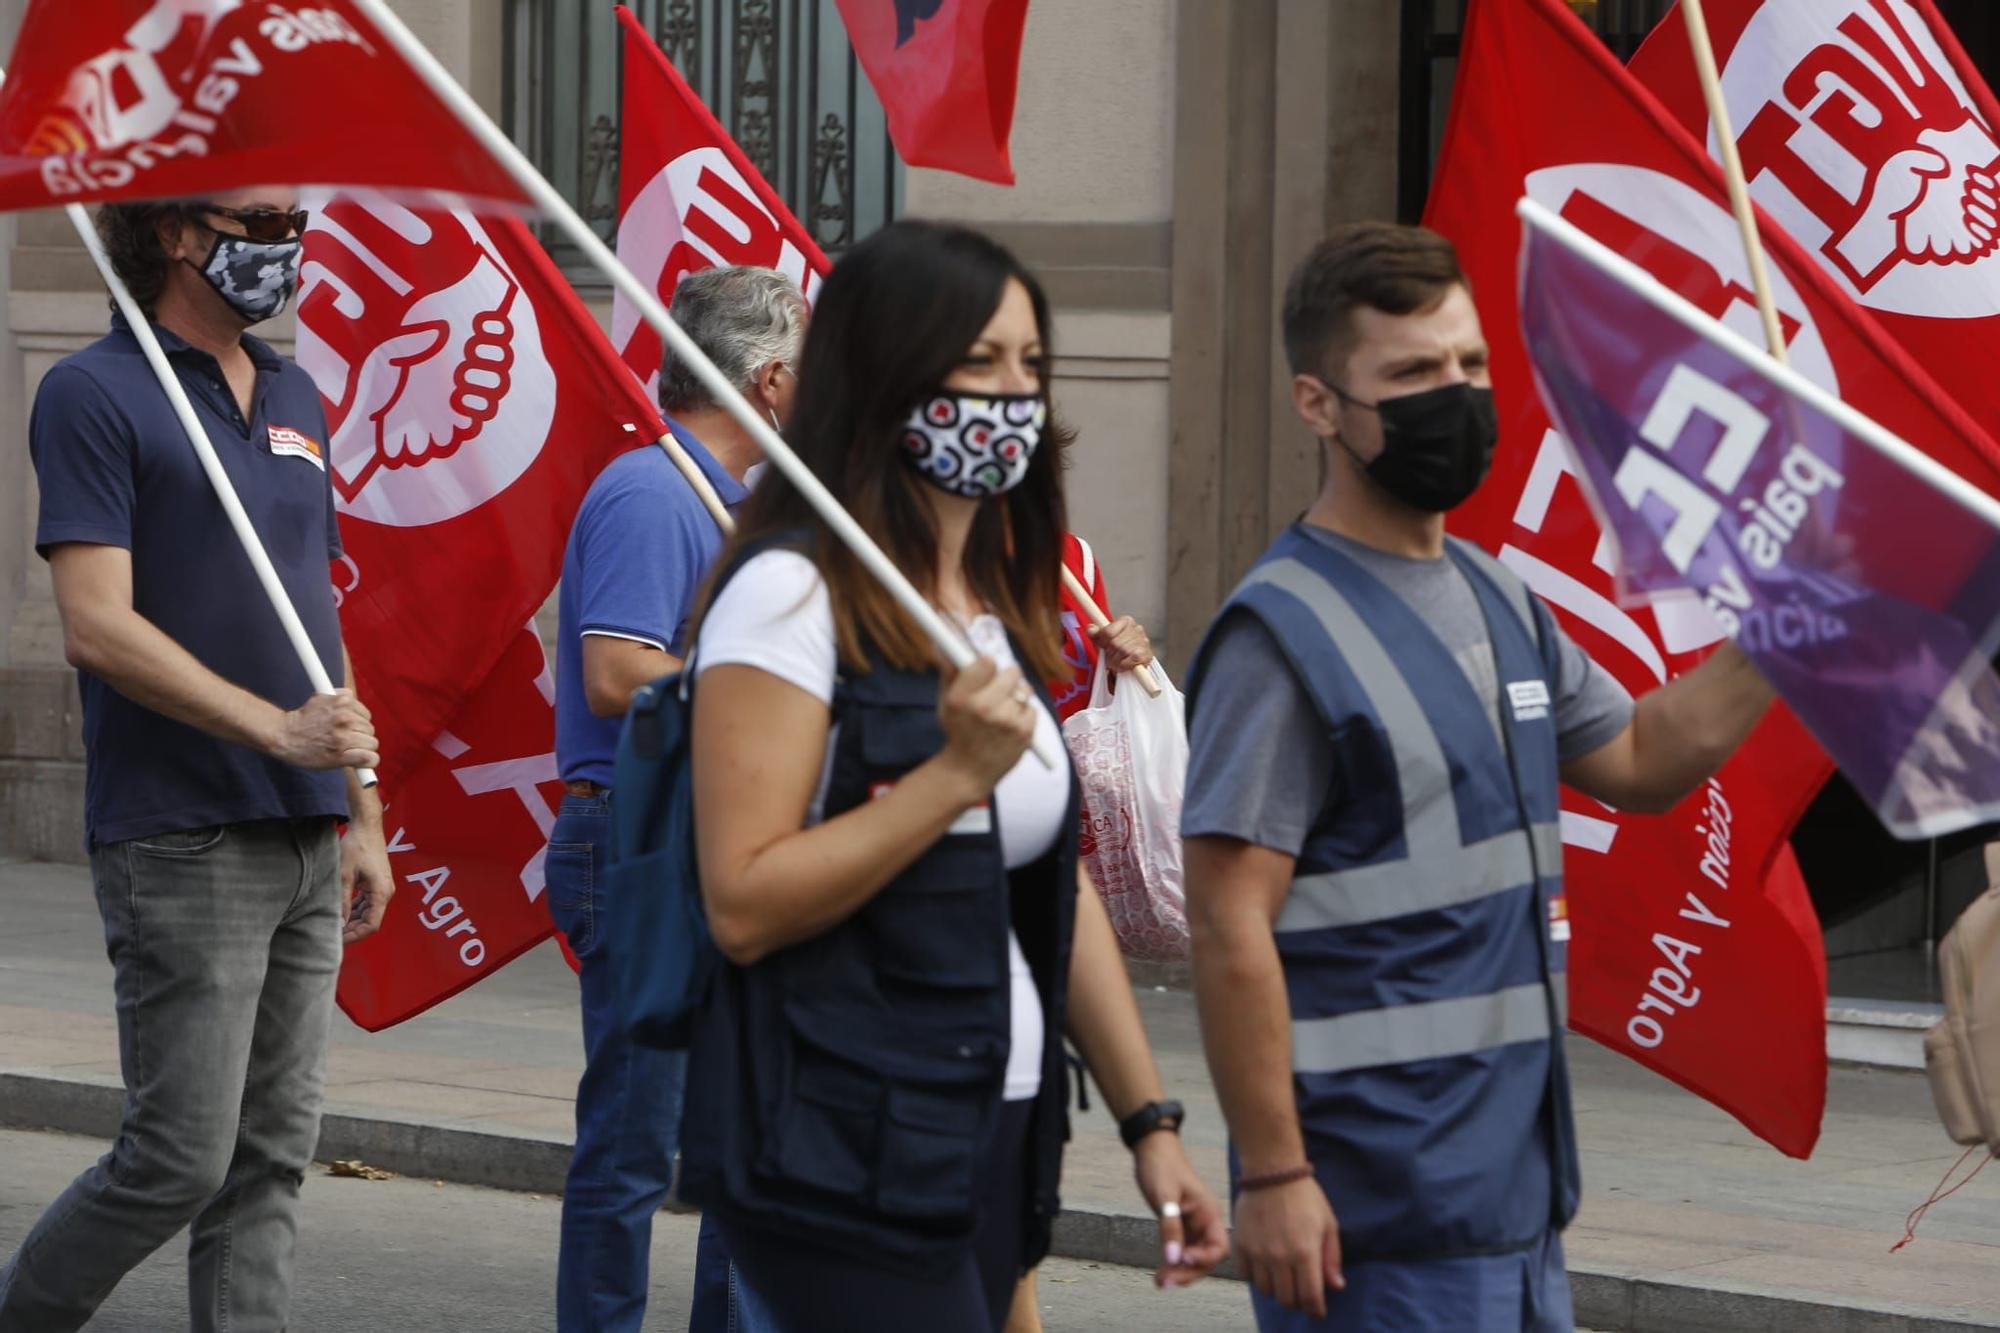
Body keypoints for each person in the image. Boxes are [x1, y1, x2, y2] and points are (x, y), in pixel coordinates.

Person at [1183, 222, 1778, 1332]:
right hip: (1371, 1211)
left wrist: (1787, 623)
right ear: (1317, 404)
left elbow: (1644, 760)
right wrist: (1269, 1174)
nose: (1450, 395)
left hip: (1511, 1199)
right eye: (1409, 373)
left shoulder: (1497, 596)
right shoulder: (1278, 636)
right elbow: (1225, 927)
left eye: (1467, 366)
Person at [675, 219, 1230, 1332]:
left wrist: (1149, 1124)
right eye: (978, 364)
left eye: (1029, 364)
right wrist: (949, 779)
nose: (1011, 395)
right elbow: (741, 899)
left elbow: (1052, 888)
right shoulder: (787, 597)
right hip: (838, 1141)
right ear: (880, 379)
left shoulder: (997, 604)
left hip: (990, 1128)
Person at [0, 192, 391, 1333]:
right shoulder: (94, 392)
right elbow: (96, 626)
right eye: (261, 216)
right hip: (184, 828)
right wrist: (275, 732)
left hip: (304, 826)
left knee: (272, 1157)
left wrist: (360, 808)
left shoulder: (297, 393)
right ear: (177, 233)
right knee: (177, 1157)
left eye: (295, 215)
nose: (289, 237)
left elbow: (318, 616)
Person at [548, 264, 804, 1333]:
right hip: (644, 840)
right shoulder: (654, 491)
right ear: (775, 378)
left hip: (721, 835)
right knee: (635, 1139)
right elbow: (615, 673)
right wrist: (770, 680)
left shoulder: (745, 503)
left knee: (746, 1134)